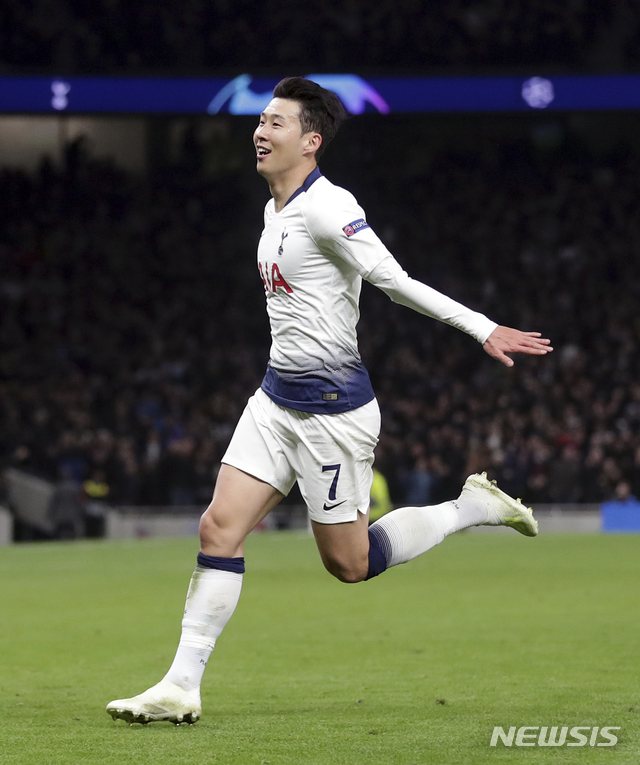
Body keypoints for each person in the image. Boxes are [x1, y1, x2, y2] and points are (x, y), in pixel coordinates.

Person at [107, 77, 553, 725]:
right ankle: (180, 685)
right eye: (259, 120)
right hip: (274, 398)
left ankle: (470, 505)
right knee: (218, 528)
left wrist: (482, 327)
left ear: (311, 141)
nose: (260, 131)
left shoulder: (329, 206)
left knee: (350, 563)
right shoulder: (272, 210)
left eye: (276, 123)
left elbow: (394, 282)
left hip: (331, 411)